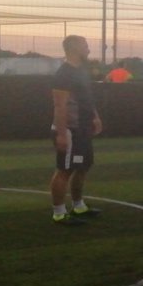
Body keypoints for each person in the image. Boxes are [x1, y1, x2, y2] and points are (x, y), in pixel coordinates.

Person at [49, 35, 103, 225]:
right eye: (85, 46)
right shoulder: (64, 74)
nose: (88, 49)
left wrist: (95, 117)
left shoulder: (82, 70)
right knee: (65, 169)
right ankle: (59, 213)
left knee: (82, 166)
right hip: (70, 130)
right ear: (74, 49)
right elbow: (59, 106)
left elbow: (86, 97)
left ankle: (79, 206)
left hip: (83, 128)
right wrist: (62, 134)